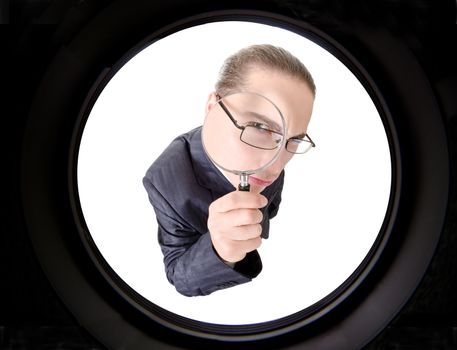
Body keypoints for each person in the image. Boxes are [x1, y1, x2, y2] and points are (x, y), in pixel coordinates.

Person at [143, 44, 316, 297]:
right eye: (259, 126)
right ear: (213, 107)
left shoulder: (272, 154)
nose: (276, 165)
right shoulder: (164, 180)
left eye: (293, 140)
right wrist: (220, 251)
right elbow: (178, 276)